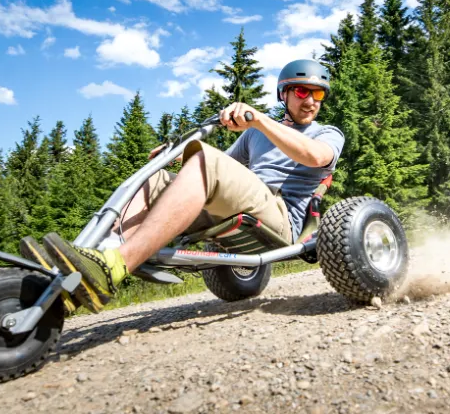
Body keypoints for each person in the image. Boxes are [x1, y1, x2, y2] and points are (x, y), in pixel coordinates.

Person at [34, 59, 345, 313]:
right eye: (303, 92)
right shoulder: (254, 135)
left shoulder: (326, 133)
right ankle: (92, 262)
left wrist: (260, 119)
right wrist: (174, 157)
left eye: (317, 95)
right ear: (285, 94)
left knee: (204, 161)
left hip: (279, 218)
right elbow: (218, 168)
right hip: (244, 206)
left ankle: (115, 266)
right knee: (153, 178)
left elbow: (315, 156)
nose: (310, 101)